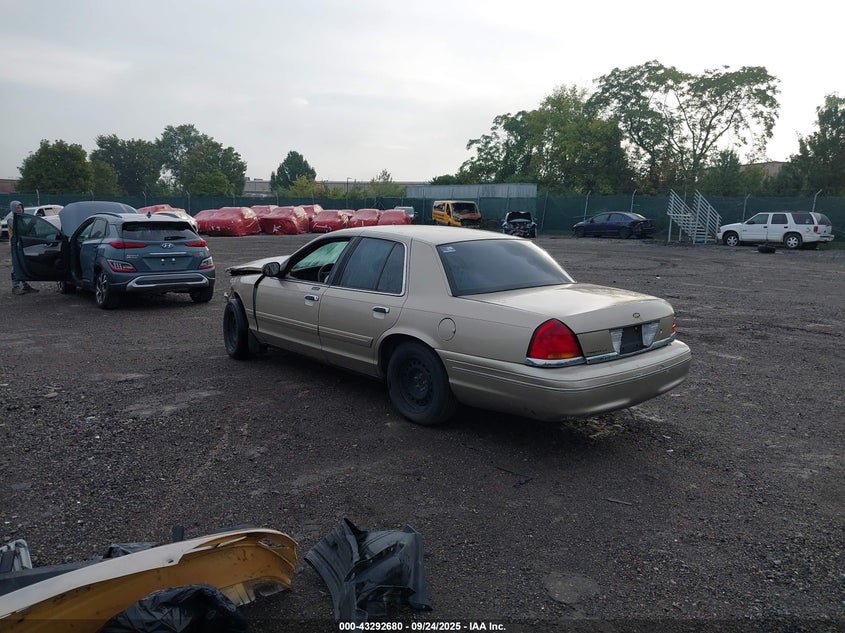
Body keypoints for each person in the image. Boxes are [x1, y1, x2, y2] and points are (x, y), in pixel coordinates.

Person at [9, 200, 39, 295]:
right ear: (14, 208)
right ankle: (15, 287)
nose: (20, 209)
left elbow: (26, 231)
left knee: (21, 263)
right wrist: (32, 222)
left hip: (21, 244)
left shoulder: (20, 218)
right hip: (15, 245)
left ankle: (25, 286)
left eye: (21, 207)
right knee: (16, 265)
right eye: (18, 208)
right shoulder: (11, 219)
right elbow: (22, 230)